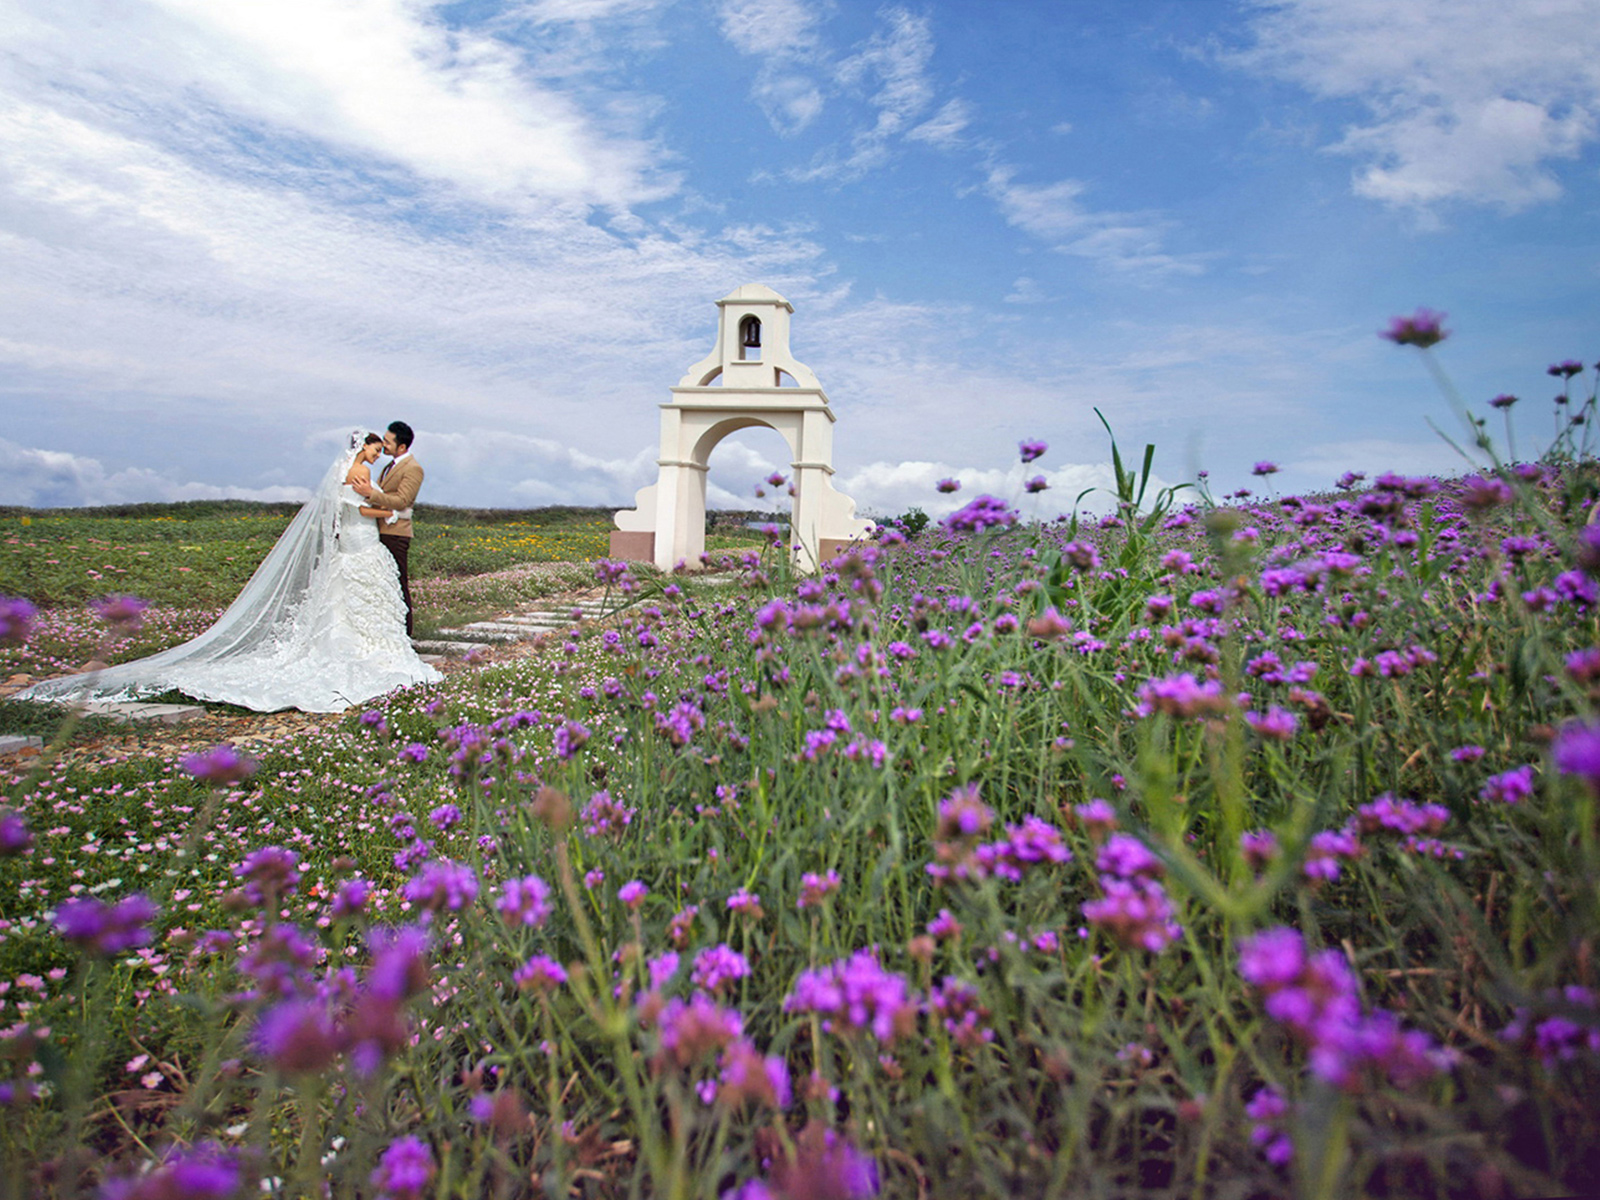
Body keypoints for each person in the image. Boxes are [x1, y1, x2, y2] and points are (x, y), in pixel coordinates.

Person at [16, 431, 442, 714]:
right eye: (375, 445)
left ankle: (375, 643)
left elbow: (372, 503)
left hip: (361, 541)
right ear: (362, 449)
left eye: (384, 442)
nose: (378, 449)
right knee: (358, 596)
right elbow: (367, 506)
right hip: (362, 539)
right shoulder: (363, 473)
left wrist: (380, 505)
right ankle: (374, 648)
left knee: (353, 597)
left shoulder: (371, 471)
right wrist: (382, 506)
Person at [352, 421, 422, 638]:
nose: (383, 445)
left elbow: (402, 501)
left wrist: (370, 494)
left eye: (388, 441)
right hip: (378, 530)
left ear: (402, 447)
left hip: (396, 533)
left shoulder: (413, 468)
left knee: (399, 583)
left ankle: (405, 636)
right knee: (385, 585)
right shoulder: (387, 467)